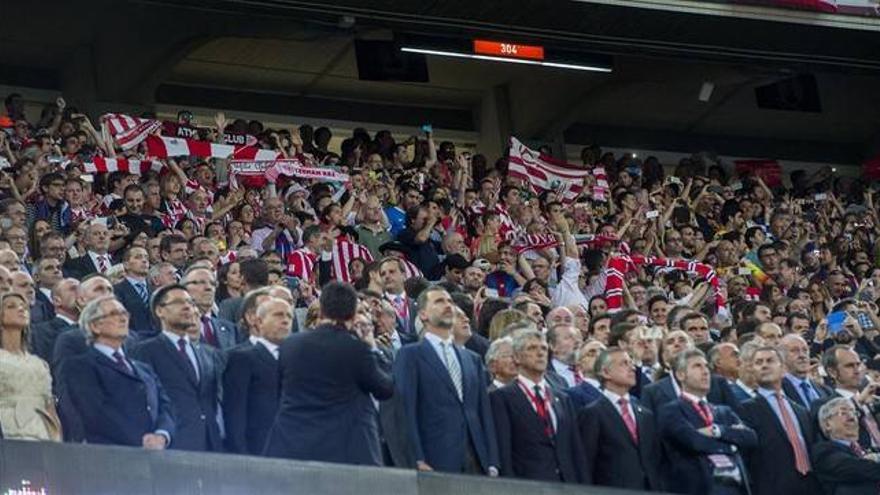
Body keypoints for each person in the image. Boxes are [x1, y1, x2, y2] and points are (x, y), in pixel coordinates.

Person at [264, 282, 393, 465]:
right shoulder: (357, 349)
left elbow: (279, 393)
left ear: (322, 309)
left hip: (292, 446)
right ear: (352, 314)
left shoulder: (289, 345)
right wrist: (372, 346)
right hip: (344, 453)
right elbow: (385, 388)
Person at [394, 286, 500, 475]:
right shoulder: (409, 355)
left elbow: (484, 412)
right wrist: (416, 457)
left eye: (450, 301)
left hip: (477, 460)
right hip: (435, 458)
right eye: (439, 301)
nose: (448, 305)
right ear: (423, 315)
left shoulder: (472, 359)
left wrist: (492, 459)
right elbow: (406, 410)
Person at [62, 296, 174, 448]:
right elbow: (96, 413)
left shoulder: (143, 369)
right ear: (95, 326)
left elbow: (165, 406)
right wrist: (140, 439)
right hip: (112, 456)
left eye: (124, 313)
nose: (122, 318)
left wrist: (162, 435)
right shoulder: (81, 366)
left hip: (154, 456)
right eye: (114, 313)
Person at [130, 284, 224, 452]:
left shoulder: (207, 353)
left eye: (190, 302)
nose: (188, 307)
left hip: (210, 444)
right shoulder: (145, 350)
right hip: (171, 444)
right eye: (179, 302)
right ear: (160, 311)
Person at [490, 329, 586, 483]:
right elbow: (504, 450)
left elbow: (575, 449)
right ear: (516, 357)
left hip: (567, 485)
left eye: (543, 348)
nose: (540, 353)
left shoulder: (563, 398)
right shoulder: (502, 397)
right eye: (532, 348)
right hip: (528, 485)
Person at [658, 348, 757, 494]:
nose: (705, 372)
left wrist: (717, 431)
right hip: (699, 488)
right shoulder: (671, 410)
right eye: (697, 366)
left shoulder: (724, 411)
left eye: (706, 366)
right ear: (680, 375)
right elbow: (692, 440)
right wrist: (731, 445)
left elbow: (750, 437)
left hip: (735, 488)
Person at [740, 346, 822, 495]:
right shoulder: (745, 409)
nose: (764, 365)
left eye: (770, 360)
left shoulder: (801, 411)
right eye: (758, 362)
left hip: (811, 486)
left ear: (783, 369)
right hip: (771, 488)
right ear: (752, 371)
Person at [579, 347, 663, 490]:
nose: (632, 368)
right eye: (624, 363)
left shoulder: (645, 414)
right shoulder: (592, 413)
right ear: (605, 372)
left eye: (631, 363)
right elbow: (586, 463)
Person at [223, 297, 291, 455]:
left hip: (291, 451)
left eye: (289, 316)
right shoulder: (242, 358)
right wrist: (241, 455)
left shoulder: (296, 358)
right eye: (278, 315)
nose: (285, 320)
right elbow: (235, 414)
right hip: (257, 452)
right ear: (259, 322)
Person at [0, 292, 62, 441]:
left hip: (42, 433)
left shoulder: (40, 364)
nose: (21, 309)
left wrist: (57, 438)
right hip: (8, 432)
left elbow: (49, 406)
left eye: (24, 306)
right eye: (11, 306)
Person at [811, 345, 880, 451]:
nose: (857, 370)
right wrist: (858, 403)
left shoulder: (873, 398)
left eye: (858, 364)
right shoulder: (823, 405)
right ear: (832, 372)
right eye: (849, 366)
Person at [811, 397, 880, 495]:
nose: (852, 417)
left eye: (854, 413)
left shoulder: (866, 448)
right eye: (843, 413)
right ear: (827, 424)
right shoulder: (823, 451)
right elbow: (858, 468)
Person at [183, 267, 240, 350]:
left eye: (213, 284)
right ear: (184, 289)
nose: (209, 287)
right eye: (201, 282)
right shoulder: (175, 327)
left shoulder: (230, 329)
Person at [113, 246, 157, 340]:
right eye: (138, 257)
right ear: (126, 265)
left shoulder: (156, 291)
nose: (144, 261)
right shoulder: (116, 291)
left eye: (146, 258)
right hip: (132, 343)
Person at [779, 334, 832, 410]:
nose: (802, 355)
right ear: (781, 357)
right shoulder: (779, 390)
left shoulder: (826, 391)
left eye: (805, 350)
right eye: (794, 351)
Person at [566, 339, 606, 409]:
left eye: (603, 353)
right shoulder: (573, 394)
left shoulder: (621, 390)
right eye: (591, 353)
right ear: (579, 365)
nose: (599, 355)